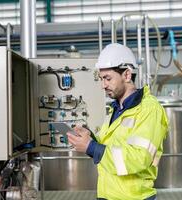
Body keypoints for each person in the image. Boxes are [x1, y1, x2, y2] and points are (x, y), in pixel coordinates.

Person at [67, 43, 168, 200]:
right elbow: (110, 151)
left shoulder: (149, 109)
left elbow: (139, 158)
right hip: (107, 195)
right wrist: (90, 140)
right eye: (101, 79)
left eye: (107, 78)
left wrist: (91, 147)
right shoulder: (115, 109)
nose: (103, 85)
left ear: (127, 75)